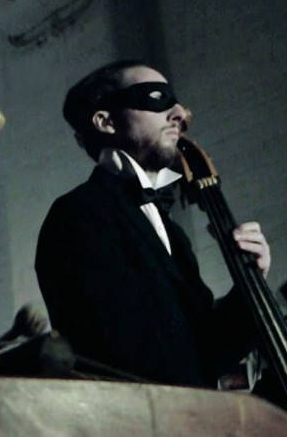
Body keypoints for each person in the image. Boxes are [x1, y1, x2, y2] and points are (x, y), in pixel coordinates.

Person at [35, 60, 271, 387]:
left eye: (176, 102)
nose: (180, 113)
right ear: (105, 121)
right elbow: (117, 354)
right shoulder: (77, 215)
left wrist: (250, 282)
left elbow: (209, 353)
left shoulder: (171, 231)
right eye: (156, 98)